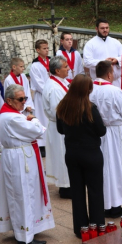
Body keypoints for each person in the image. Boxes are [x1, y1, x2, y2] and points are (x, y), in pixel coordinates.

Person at [0, 84, 54, 244]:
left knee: (20, 193)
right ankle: (25, 236)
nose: (24, 102)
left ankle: (25, 228)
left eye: (25, 98)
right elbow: (38, 130)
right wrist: (34, 118)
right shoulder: (14, 118)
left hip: (16, 155)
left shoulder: (6, 115)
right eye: (21, 99)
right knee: (24, 194)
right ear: (9, 100)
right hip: (20, 158)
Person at [56, 75, 106, 238]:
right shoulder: (90, 108)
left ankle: (80, 228)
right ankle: (97, 225)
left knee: (77, 192)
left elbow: (60, 130)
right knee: (95, 190)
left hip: (72, 153)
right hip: (91, 153)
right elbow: (101, 131)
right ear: (88, 90)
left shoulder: (62, 106)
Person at [90, 61, 122, 218]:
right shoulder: (115, 91)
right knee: (117, 167)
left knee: (103, 168)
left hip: (97, 132)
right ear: (109, 74)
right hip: (115, 132)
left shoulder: (90, 90)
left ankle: (103, 203)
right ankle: (115, 205)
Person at [43, 56, 70, 198]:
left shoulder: (59, 82)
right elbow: (58, 110)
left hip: (62, 126)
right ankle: (65, 187)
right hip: (61, 127)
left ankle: (67, 184)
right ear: (57, 70)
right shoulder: (54, 88)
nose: (68, 69)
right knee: (62, 155)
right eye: (65, 67)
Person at [83, 18, 122, 87]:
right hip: (99, 84)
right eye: (102, 28)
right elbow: (87, 62)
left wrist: (117, 60)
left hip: (116, 83)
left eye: (107, 28)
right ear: (96, 29)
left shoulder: (115, 42)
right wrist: (104, 63)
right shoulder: (90, 44)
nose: (105, 30)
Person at [29, 39, 50, 152]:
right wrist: (48, 91)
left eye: (47, 48)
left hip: (51, 93)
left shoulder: (51, 61)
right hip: (41, 95)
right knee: (42, 117)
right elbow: (38, 83)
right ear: (37, 50)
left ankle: (51, 141)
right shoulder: (35, 65)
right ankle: (42, 144)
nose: (47, 50)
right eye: (44, 48)